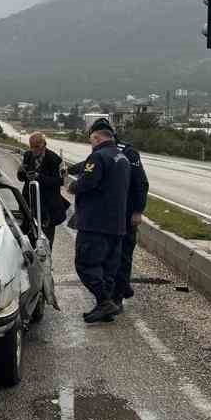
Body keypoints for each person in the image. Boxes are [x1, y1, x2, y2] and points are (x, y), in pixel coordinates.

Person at [65, 117, 130, 324]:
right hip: (117, 223)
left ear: (96, 137)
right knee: (108, 268)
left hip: (95, 223)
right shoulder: (122, 157)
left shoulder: (98, 157)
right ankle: (106, 309)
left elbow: (88, 181)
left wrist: (71, 186)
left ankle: (104, 302)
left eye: (91, 140)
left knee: (86, 264)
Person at [113, 137, 151, 302]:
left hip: (127, 213)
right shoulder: (102, 151)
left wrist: (138, 211)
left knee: (123, 255)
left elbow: (141, 183)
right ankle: (121, 287)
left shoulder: (128, 153)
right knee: (110, 255)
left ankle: (118, 295)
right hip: (110, 214)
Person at [17, 131, 66, 245]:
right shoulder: (28, 155)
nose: (34, 150)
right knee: (27, 238)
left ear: (44, 144)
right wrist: (22, 172)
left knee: (45, 241)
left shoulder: (54, 159)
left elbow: (59, 181)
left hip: (47, 206)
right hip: (29, 202)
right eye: (32, 147)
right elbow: (21, 178)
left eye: (37, 147)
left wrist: (39, 177)